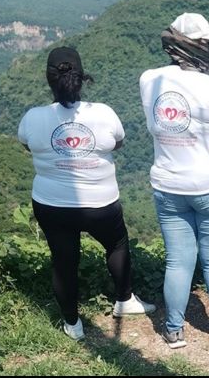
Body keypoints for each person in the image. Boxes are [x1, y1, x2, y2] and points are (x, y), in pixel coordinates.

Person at [18, 46, 155, 341]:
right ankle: (124, 299)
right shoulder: (103, 113)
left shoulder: (33, 117)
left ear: (48, 79)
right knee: (116, 244)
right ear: (82, 77)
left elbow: (28, 145)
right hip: (100, 203)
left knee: (64, 261)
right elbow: (117, 143)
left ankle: (72, 324)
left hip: (51, 204)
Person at [139, 13, 209, 348]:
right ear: (195, 46)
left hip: (168, 185)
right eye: (207, 43)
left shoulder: (149, 80)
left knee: (178, 259)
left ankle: (173, 329)